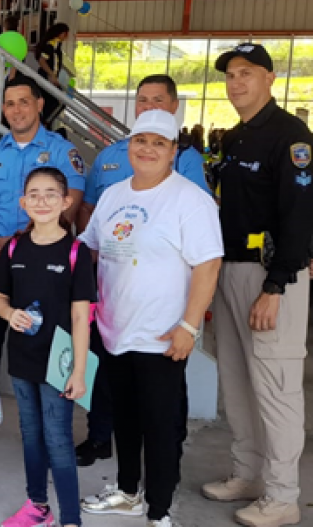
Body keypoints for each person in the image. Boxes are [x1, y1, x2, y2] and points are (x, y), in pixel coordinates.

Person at [80, 110, 223, 527]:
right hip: (114, 330)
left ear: (173, 151)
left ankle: (159, 511)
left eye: (158, 143)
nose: (147, 149)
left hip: (162, 335)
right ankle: (127, 492)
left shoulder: (189, 199)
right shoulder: (113, 195)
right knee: (125, 418)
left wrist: (189, 327)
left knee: (160, 428)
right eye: (140, 141)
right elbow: (88, 250)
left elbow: (208, 266)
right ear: (129, 146)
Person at [200, 43, 313, 527]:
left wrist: (278, 283)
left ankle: (283, 495)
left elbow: (298, 214)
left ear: (269, 78)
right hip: (229, 267)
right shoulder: (234, 137)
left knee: (276, 384)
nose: (235, 82)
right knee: (237, 379)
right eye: (230, 75)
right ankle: (247, 474)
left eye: (246, 73)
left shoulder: (290, 135)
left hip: (270, 276)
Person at [0, 75, 85, 388]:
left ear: (40, 105)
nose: (17, 110)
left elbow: (69, 208)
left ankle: (54, 413)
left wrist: (26, 242)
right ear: (3, 109)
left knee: (49, 340)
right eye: (10, 104)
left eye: (24, 102)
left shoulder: (63, 152)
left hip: (45, 263)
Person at [0, 167, 95, 527]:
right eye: (33, 194)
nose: (42, 201)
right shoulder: (14, 247)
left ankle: (70, 518)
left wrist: (79, 372)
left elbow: (82, 317)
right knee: (32, 437)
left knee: (58, 441)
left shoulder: (76, 252)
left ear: (66, 201)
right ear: (23, 202)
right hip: (22, 358)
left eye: (51, 193)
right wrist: (9, 313)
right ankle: (38, 506)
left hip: (59, 363)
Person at [35, 23, 69, 127]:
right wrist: (51, 75)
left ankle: (45, 123)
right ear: (62, 33)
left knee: (57, 103)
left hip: (50, 77)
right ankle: (44, 123)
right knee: (55, 103)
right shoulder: (51, 45)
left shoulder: (57, 45)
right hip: (46, 77)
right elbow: (42, 60)